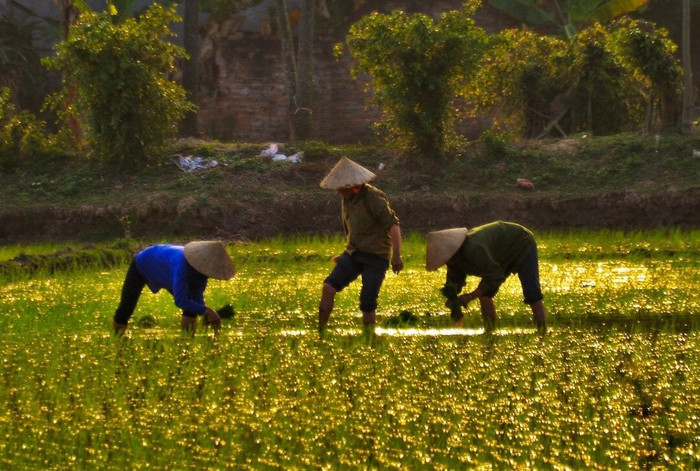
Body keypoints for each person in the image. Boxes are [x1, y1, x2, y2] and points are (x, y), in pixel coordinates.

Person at [318, 157, 403, 332]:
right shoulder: (346, 198)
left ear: (351, 185)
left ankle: (369, 339)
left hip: (375, 257)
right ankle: (320, 332)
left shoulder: (373, 198)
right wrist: (345, 252)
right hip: (354, 254)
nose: (338, 191)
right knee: (328, 287)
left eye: (341, 187)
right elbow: (352, 228)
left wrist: (396, 256)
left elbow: (393, 226)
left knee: (367, 302)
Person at [426, 221, 546, 333]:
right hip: (499, 252)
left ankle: (542, 332)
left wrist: (470, 296)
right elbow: (454, 282)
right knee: (484, 294)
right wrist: (453, 302)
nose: (447, 263)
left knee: (532, 293)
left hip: (521, 242)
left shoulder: (475, 249)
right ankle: (489, 332)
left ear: (453, 251)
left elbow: (494, 276)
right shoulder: (454, 261)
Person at [113, 240, 235, 334]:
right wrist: (207, 311)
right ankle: (117, 341)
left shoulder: (202, 273)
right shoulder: (182, 265)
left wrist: (205, 313)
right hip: (144, 264)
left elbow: (196, 296)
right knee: (126, 308)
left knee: (191, 307)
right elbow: (180, 300)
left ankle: (187, 342)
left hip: (166, 271)